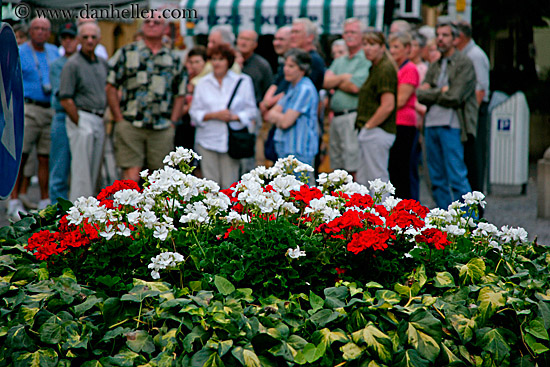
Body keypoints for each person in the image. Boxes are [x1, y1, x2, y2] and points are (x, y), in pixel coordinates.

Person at [106, 13, 185, 183]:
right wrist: (118, 118)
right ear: (142, 26)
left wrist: (173, 122)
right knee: (131, 177)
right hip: (130, 124)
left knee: (159, 180)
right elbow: (111, 86)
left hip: (162, 127)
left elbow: (181, 93)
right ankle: (128, 209)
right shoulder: (126, 52)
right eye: (147, 21)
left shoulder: (173, 58)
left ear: (165, 29)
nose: (151, 24)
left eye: (157, 22)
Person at [416, 21, 478, 209]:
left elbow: (454, 96)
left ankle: (469, 222)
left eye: (445, 35)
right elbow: (420, 94)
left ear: (455, 39)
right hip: (431, 125)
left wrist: (433, 92)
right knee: (436, 178)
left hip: (453, 126)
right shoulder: (435, 64)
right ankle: (445, 221)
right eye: (438, 35)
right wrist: (440, 91)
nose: (441, 39)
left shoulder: (464, 63)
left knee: (457, 176)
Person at [8, 17, 59, 219]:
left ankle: (45, 199)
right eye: (37, 28)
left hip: (50, 107)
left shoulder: (54, 51)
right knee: (23, 154)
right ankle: (14, 199)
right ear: (30, 31)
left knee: (45, 156)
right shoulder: (21, 51)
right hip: (28, 107)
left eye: (45, 29)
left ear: (49, 32)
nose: (40, 32)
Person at [189, 44, 257, 188]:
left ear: (229, 61)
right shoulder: (202, 83)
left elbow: (251, 111)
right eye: (213, 59)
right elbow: (194, 112)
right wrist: (214, 115)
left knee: (230, 184)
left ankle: (230, 211)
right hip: (207, 138)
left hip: (231, 139)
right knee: (209, 185)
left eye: (221, 59)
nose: (217, 63)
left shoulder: (243, 81)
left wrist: (233, 117)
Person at [59, 22, 108, 201]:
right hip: (82, 117)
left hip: (99, 118)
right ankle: (77, 216)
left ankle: (92, 215)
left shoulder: (102, 63)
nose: (89, 40)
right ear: (79, 39)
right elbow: (65, 98)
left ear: (99, 40)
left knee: (95, 173)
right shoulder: (72, 64)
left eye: (93, 37)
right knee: (82, 173)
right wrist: (79, 122)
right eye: (85, 37)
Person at [323, 18, 371, 179]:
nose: (349, 35)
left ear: (362, 35)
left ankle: (356, 201)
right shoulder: (340, 60)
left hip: (352, 115)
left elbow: (355, 87)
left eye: (353, 32)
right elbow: (325, 82)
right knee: (337, 166)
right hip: (335, 117)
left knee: (352, 164)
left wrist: (335, 82)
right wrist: (344, 77)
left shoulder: (365, 58)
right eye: (346, 32)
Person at [265, 49, 319, 181]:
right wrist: (280, 117)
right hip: (286, 149)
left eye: (291, 66)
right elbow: (269, 114)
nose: (286, 69)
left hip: (300, 152)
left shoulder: (304, 89)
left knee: (302, 193)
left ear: (302, 69)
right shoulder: (292, 87)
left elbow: (285, 122)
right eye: (285, 65)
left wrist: (280, 117)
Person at [355, 31, 397, 186]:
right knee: (364, 179)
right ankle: (368, 210)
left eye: (372, 44)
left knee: (377, 180)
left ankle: (383, 210)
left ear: (382, 47)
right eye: (365, 44)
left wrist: (368, 126)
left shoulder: (385, 68)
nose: (367, 48)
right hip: (372, 130)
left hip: (377, 131)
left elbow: (388, 105)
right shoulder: (375, 67)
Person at [455, 20, 491, 197]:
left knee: (475, 160)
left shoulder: (475, 55)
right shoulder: (464, 53)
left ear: (460, 36)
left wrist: (471, 117)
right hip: (468, 112)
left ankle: (476, 205)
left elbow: (480, 89)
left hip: (475, 112)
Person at [48, 22, 79, 204]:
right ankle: (56, 212)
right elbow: (63, 94)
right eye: (64, 38)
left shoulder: (83, 61)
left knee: (81, 170)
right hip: (63, 116)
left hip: (81, 116)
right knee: (59, 169)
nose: (68, 42)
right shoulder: (57, 65)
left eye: (71, 38)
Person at [388, 32, 420, 199]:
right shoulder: (397, 68)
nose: (392, 51)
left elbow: (401, 100)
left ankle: (408, 206)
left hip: (405, 123)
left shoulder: (410, 69)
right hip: (396, 122)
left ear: (407, 49)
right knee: (395, 167)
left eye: (396, 47)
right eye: (391, 47)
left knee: (403, 168)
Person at [175, 46, 207, 151]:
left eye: (197, 62)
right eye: (191, 62)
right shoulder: (185, 78)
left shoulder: (207, 81)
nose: (194, 65)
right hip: (184, 122)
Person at [237, 29, 273, 105]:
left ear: (255, 44)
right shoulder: (227, 61)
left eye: (247, 40)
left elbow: (268, 90)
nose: (243, 42)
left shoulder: (262, 65)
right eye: (241, 38)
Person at [289, 18, 325, 92]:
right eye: (292, 32)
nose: (292, 36)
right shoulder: (295, 57)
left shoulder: (314, 60)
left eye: (296, 32)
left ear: (310, 37)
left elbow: (305, 91)